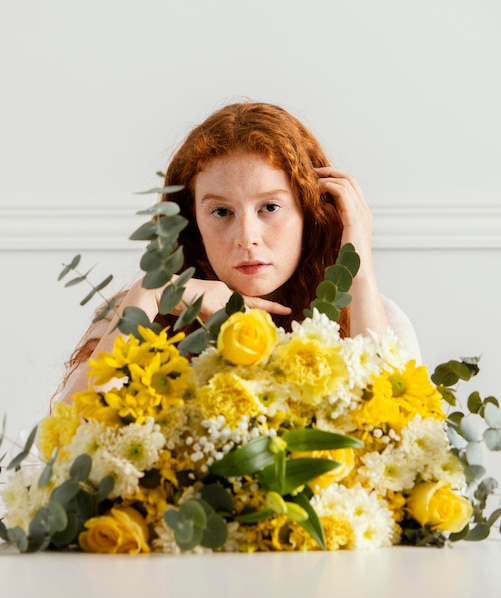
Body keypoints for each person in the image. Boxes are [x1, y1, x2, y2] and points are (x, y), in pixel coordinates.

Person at [58, 101, 420, 402]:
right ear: (191, 221)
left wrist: (356, 254)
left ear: (312, 212)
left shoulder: (376, 315)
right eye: (221, 212)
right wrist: (150, 292)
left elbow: (392, 432)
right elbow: (63, 453)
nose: (247, 237)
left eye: (270, 208)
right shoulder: (137, 312)